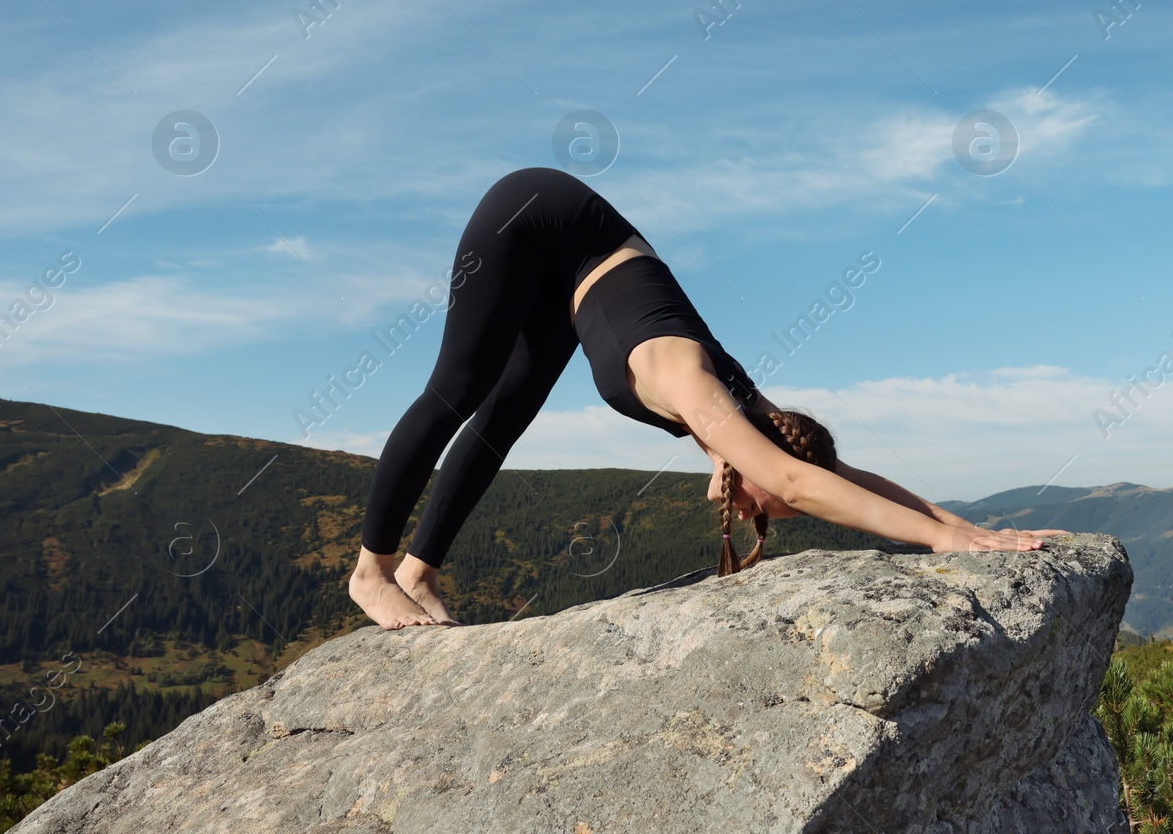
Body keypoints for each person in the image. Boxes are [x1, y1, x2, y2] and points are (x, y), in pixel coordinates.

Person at [349, 168, 1067, 629]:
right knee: (460, 387)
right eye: (762, 504)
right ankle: (372, 570)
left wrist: (964, 525)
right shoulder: (699, 389)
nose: (750, 507)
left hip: (576, 273)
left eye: (759, 516)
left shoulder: (757, 413)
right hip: (536, 217)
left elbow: (833, 477)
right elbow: (793, 479)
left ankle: (420, 570)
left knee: (506, 414)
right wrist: (941, 541)